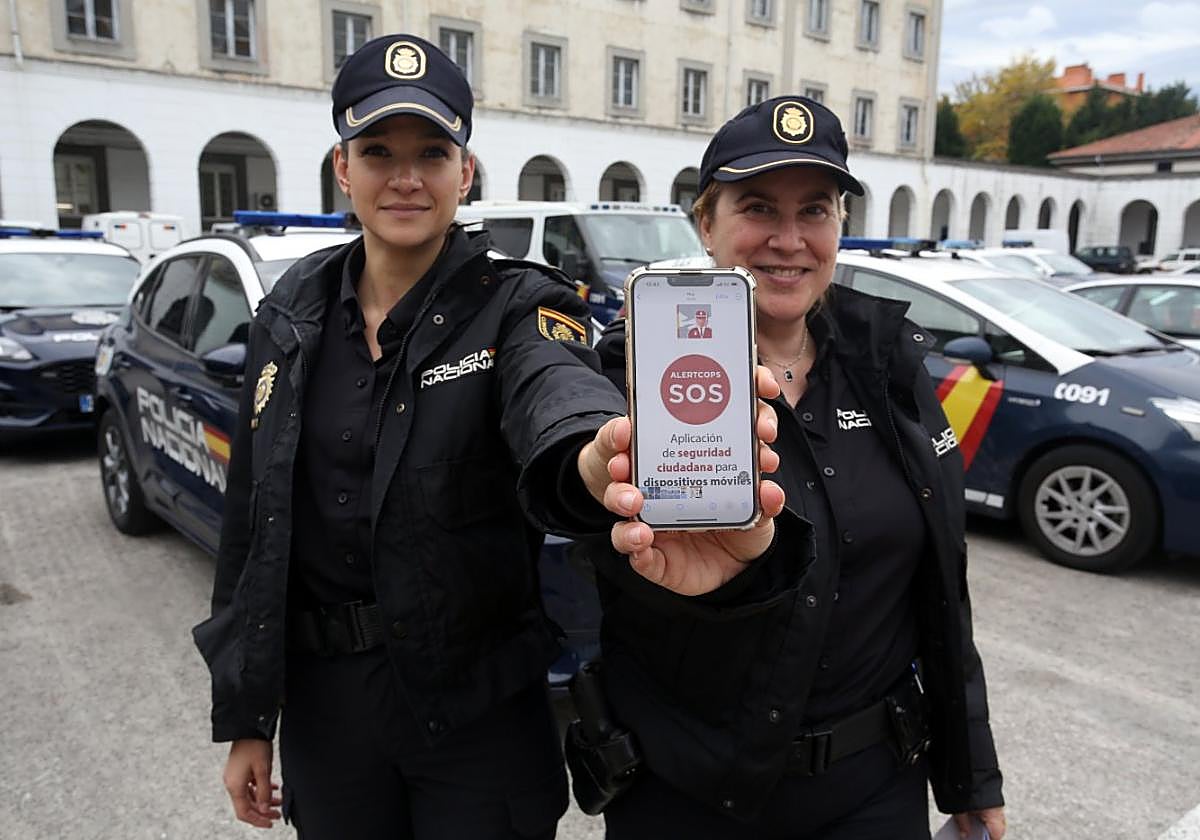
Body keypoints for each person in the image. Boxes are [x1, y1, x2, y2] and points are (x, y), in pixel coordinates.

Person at [191, 34, 637, 839]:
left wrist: (594, 451)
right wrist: (248, 717)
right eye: (378, 151)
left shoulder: (517, 304)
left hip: (478, 716)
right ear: (342, 168)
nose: (405, 177)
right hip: (331, 716)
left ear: (464, 172)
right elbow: (254, 531)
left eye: (432, 152)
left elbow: (557, 389)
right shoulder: (289, 316)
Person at [580, 95, 1007, 839]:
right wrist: (594, 469)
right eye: (757, 208)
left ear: (840, 226)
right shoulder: (630, 375)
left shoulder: (888, 362)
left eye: (815, 209)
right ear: (705, 224)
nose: (789, 239)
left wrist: (971, 773)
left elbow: (941, 583)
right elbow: (582, 489)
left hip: (875, 790)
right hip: (692, 796)